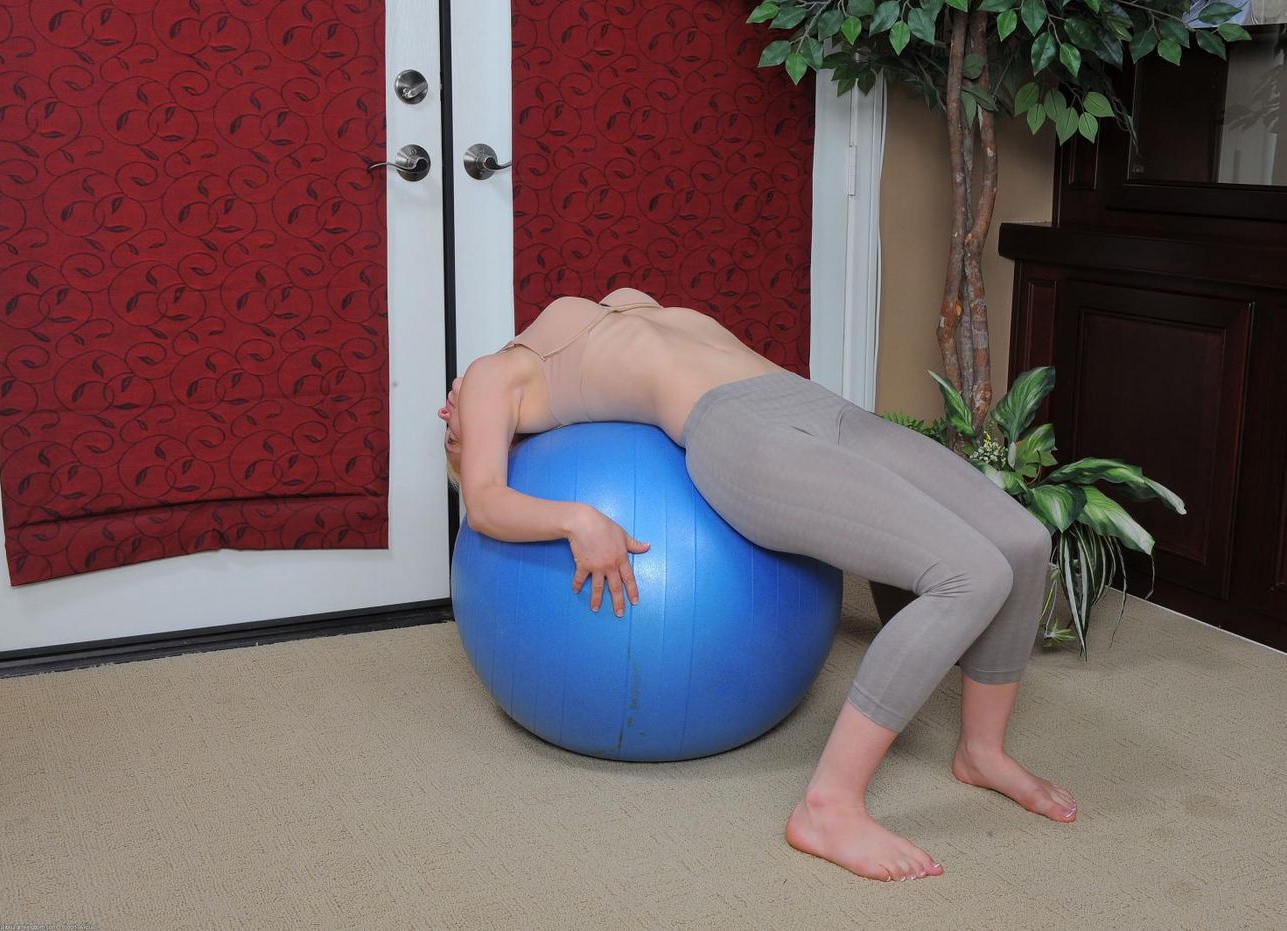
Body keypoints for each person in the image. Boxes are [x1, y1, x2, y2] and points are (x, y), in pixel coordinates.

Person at [440, 287, 1077, 883]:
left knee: (1023, 541)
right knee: (971, 576)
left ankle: (982, 753)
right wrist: (578, 518)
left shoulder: (592, 314)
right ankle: (828, 807)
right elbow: (487, 501)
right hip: (744, 438)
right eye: (458, 429)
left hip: (818, 406)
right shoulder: (492, 377)